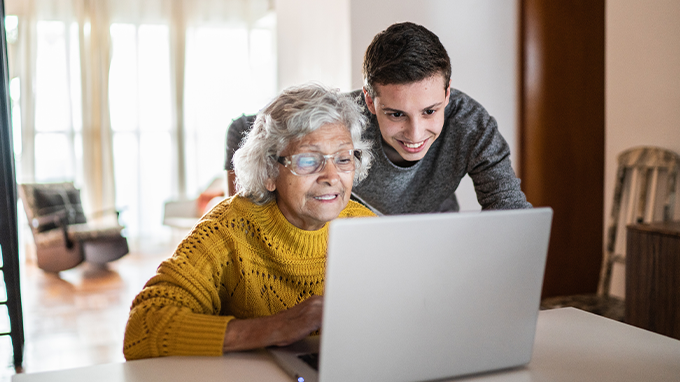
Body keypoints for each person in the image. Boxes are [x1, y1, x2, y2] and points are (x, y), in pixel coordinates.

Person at [123, 83, 375, 360]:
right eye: (307, 160)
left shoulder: (369, 229)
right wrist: (274, 328)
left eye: (343, 158)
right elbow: (143, 328)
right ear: (269, 172)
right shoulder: (228, 228)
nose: (331, 175)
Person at [225, 22, 532, 214]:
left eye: (430, 111)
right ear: (370, 101)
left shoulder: (473, 127)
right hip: (357, 238)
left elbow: (510, 212)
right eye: (396, 114)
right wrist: (245, 218)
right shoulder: (342, 117)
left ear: (447, 95)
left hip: (434, 235)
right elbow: (242, 128)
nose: (415, 133)